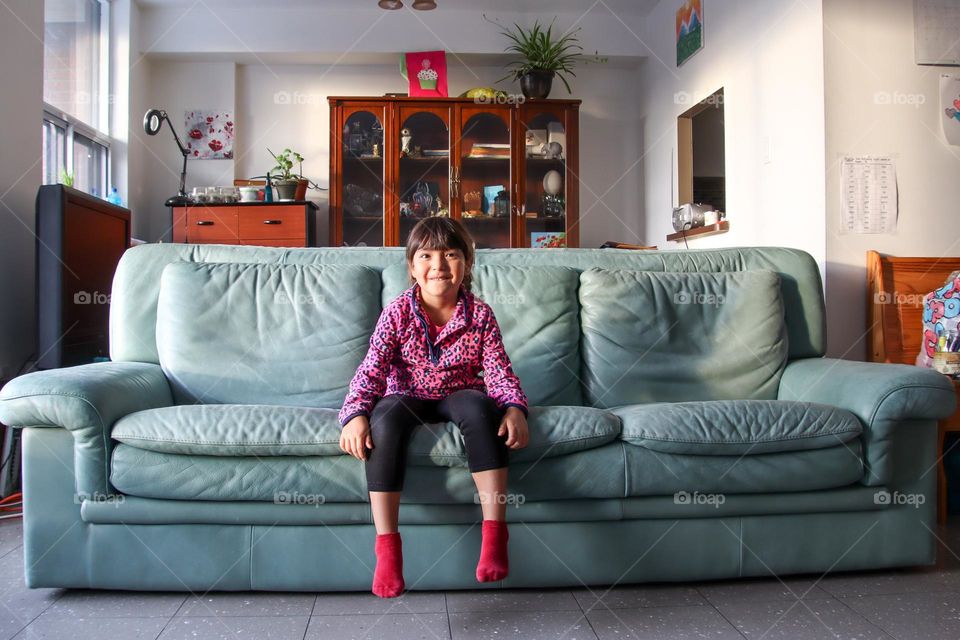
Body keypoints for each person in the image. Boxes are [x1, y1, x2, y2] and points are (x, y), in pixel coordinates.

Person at [338, 216, 529, 598]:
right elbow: (371, 368)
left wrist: (515, 408)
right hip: (405, 395)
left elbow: (498, 370)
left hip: (461, 393)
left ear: (467, 264)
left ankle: (495, 533)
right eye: (426, 256)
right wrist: (355, 414)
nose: (439, 266)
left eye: (451, 255)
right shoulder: (397, 312)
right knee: (385, 422)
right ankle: (388, 549)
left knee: (480, 411)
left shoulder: (481, 315)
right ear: (412, 267)